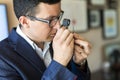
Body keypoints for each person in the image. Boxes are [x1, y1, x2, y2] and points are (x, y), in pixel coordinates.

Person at [0, 0, 91, 80]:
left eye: (58, 17)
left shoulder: (59, 43)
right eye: (50, 20)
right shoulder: (2, 59)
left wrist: (79, 64)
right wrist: (59, 63)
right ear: (25, 22)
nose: (58, 26)